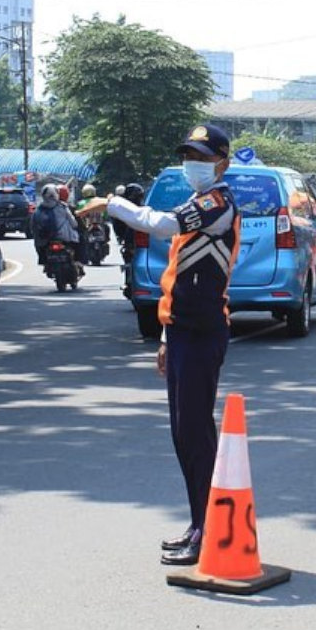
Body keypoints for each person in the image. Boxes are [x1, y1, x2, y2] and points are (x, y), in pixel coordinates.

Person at [104, 124, 239, 566]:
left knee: (196, 434)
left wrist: (113, 204)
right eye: (189, 156)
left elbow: (160, 226)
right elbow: (176, 277)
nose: (193, 165)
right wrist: (165, 334)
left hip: (203, 333)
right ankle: (200, 522)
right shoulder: (198, 202)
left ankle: (209, 528)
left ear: (222, 162)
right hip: (182, 330)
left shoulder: (217, 202)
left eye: (202, 158)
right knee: (184, 434)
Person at [31, 183, 81, 266]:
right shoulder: (63, 207)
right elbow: (73, 223)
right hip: (65, 239)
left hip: (45, 240)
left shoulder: (38, 210)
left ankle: (43, 261)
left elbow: (33, 226)